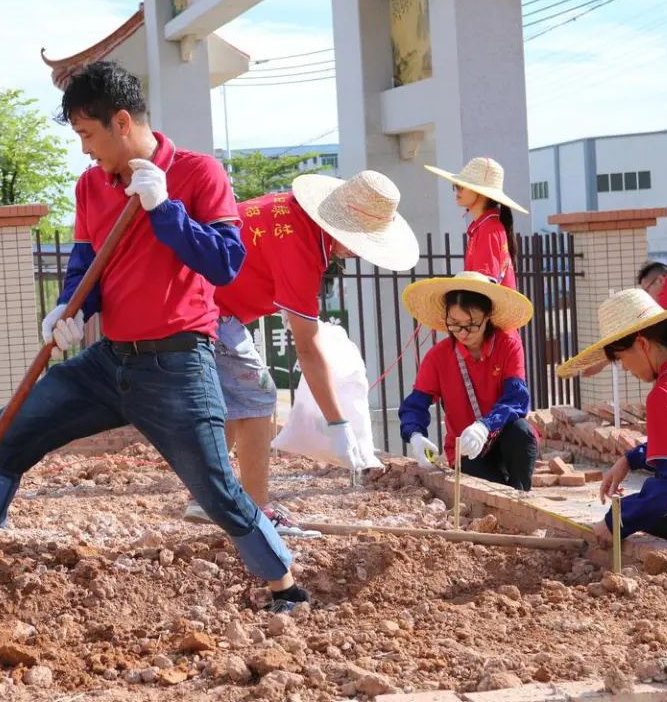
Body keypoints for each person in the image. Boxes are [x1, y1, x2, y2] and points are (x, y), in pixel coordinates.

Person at [0, 61, 308, 612]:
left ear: (121, 122)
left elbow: (225, 264)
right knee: (8, 427)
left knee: (217, 490)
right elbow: (86, 264)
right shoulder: (91, 185)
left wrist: (166, 210)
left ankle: (287, 588)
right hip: (109, 364)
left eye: (87, 134)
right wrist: (69, 308)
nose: (84, 150)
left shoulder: (200, 174)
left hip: (178, 365)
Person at [182, 171, 420, 537]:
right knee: (258, 392)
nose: (358, 253)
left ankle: (207, 496)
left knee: (236, 399)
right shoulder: (302, 248)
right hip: (206, 306)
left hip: (201, 299)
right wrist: (338, 424)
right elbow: (307, 348)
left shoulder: (294, 215)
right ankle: (257, 512)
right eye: (361, 242)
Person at [556, 288, 667, 558]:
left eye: (621, 359)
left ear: (642, 345)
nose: (626, 369)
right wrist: (631, 458)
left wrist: (616, 521)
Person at [398, 271, 537, 490]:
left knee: (522, 432)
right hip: (465, 450)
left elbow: (517, 399)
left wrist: (485, 426)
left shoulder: (508, 345)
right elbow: (416, 404)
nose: (462, 333)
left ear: (488, 316)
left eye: (471, 324)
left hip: (503, 437)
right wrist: (414, 434)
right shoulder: (438, 357)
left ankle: (522, 496)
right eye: (454, 324)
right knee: (494, 493)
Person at [424, 157, 528, 289]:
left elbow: (482, 289)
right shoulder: (486, 227)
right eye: (456, 186)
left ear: (481, 192)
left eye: (461, 186)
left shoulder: (489, 230)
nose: (457, 191)